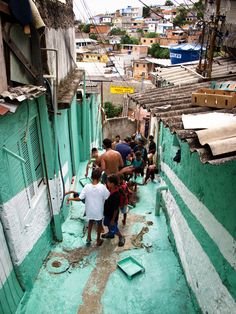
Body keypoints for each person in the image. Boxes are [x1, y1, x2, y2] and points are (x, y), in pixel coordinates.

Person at [67, 169, 110, 247]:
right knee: (99, 224)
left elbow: (80, 198)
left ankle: (88, 237)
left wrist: (70, 199)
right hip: (98, 211)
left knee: (90, 222)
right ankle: (98, 240)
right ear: (100, 177)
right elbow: (107, 196)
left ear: (91, 177)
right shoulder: (102, 187)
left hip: (89, 210)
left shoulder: (87, 186)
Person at [102, 174, 125, 247]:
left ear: (112, 184)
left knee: (113, 227)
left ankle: (121, 237)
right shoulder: (110, 190)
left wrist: (112, 219)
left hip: (112, 215)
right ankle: (110, 234)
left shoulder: (116, 195)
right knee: (107, 224)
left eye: (108, 182)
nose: (107, 183)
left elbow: (115, 209)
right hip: (107, 213)